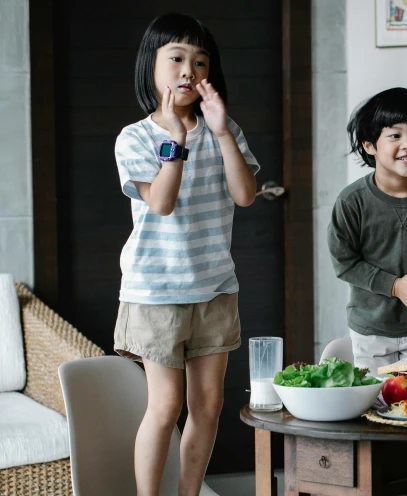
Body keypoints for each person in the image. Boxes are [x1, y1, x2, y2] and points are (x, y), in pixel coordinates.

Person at [112, 13, 259, 495]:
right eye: (176, 58)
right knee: (166, 405)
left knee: (210, 406)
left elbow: (245, 194)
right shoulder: (135, 137)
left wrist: (218, 132)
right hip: (156, 290)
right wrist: (175, 139)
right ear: (150, 67)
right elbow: (161, 201)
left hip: (214, 286)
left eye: (199, 61)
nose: (188, 70)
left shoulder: (224, 128)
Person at [328, 87, 407, 375]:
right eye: (395, 135)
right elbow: (344, 264)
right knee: (375, 405)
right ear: (369, 145)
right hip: (371, 326)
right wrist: (395, 286)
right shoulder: (351, 201)